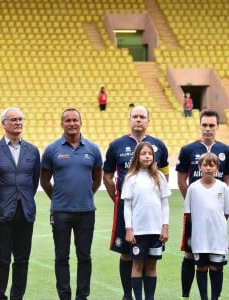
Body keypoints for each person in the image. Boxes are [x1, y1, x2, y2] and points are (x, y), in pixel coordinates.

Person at [103, 105, 169, 300]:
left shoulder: (159, 145)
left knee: (149, 258)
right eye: (135, 117)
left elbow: (164, 174)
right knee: (125, 253)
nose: (138, 120)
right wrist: (117, 197)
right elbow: (107, 176)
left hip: (151, 214)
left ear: (148, 121)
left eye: (142, 117)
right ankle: (127, 294)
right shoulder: (116, 145)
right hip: (127, 208)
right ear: (129, 120)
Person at [40, 108, 103, 300]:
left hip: (86, 212)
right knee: (61, 257)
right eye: (67, 120)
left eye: (75, 120)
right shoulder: (52, 150)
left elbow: (97, 179)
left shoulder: (92, 149)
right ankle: (64, 296)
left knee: (84, 257)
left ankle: (82, 296)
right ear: (62, 124)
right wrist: (58, 199)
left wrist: (85, 196)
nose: (72, 123)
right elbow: (44, 181)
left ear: (81, 122)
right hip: (60, 213)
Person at [0, 107, 40, 300]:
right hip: (1, 212)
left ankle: (18, 296)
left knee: (22, 260)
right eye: (14, 119)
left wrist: (23, 198)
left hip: (25, 212)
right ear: (3, 124)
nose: (18, 122)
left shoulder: (32, 151)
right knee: (2, 259)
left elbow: (34, 181)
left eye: (20, 119)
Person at [176, 108, 229, 300]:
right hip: (194, 214)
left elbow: (227, 182)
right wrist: (193, 203)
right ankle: (186, 293)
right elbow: (182, 181)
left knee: (213, 256)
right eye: (204, 125)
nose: (208, 129)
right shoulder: (188, 149)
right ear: (200, 126)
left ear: (217, 127)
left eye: (211, 126)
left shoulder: (225, 150)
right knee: (191, 253)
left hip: (215, 214)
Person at [122, 142, 170, 300]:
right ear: (137, 156)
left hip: (156, 231)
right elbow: (127, 206)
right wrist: (129, 229)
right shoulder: (131, 178)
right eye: (143, 153)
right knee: (137, 265)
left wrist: (165, 227)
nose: (147, 156)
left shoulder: (159, 176)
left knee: (151, 266)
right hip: (138, 232)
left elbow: (164, 203)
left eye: (150, 153)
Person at [184, 152, 229, 300]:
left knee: (216, 267)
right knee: (201, 267)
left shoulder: (223, 187)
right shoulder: (193, 188)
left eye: (212, 165)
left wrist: (216, 225)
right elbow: (188, 214)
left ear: (217, 168)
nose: (208, 168)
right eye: (205, 165)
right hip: (200, 237)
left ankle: (215, 297)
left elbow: (226, 213)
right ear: (200, 167)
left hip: (217, 237)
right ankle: (204, 297)